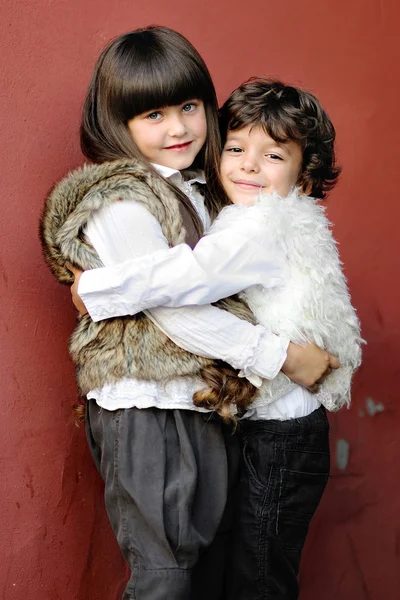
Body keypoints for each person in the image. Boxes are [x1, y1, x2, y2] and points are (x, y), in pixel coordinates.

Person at [40, 28, 335, 600]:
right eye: (154, 113)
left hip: (199, 403)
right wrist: (279, 356)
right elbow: (179, 312)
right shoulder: (122, 199)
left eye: (190, 107)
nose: (178, 127)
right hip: (148, 408)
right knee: (166, 577)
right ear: (116, 121)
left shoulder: (203, 188)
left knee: (204, 569)